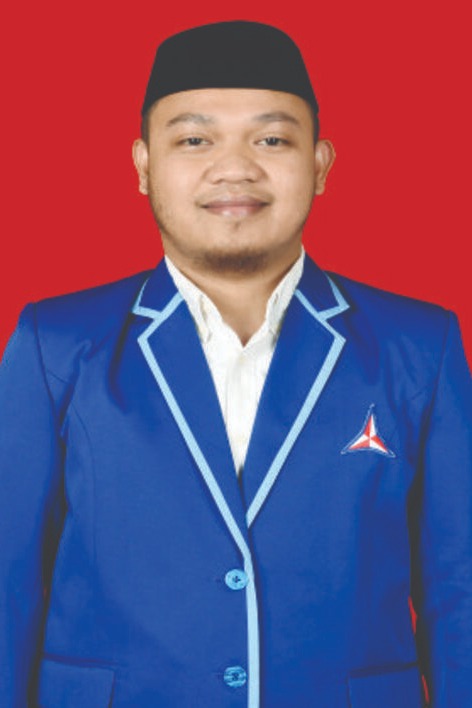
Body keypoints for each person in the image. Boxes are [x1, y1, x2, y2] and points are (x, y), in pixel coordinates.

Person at [0, 20, 471, 708]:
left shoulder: (419, 347)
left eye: (271, 139)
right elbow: (8, 584)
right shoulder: (56, 344)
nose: (234, 168)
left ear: (320, 164)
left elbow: (460, 590)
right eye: (195, 140)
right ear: (143, 165)